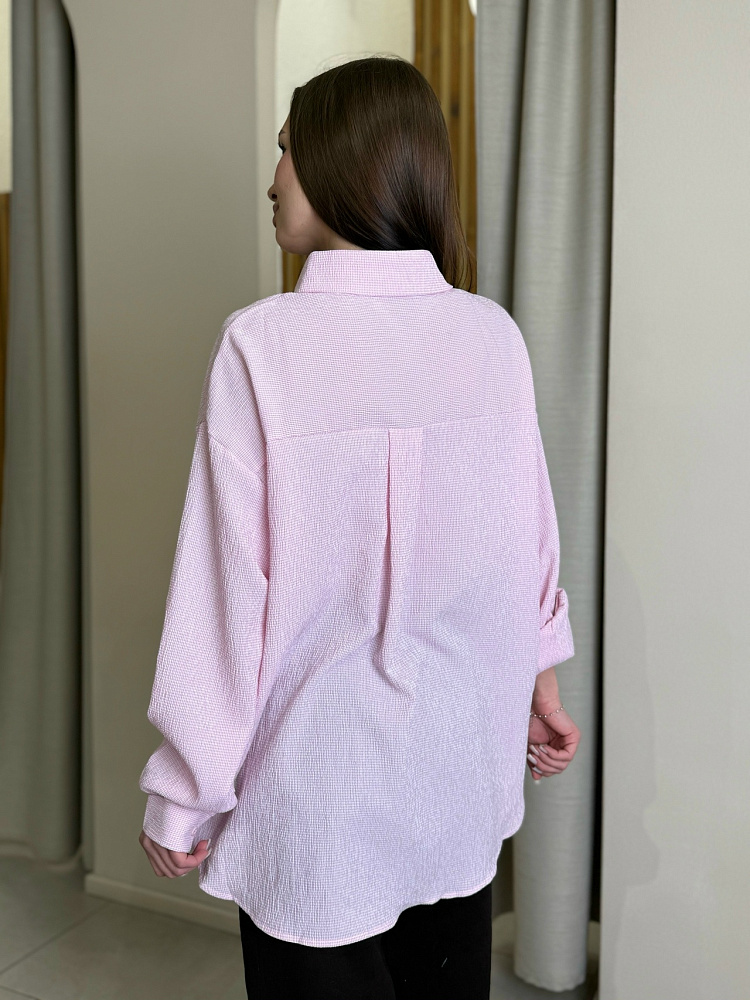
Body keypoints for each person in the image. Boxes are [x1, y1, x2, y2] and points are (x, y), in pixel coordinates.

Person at [137, 56, 581, 1000]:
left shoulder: (263, 346)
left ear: (346, 158)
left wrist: (184, 791)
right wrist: (539, 681)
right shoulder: (491, 336)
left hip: (316, 805)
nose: (273, 178)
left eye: (288, 149)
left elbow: (225, 600)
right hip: (458, 777)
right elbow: (522, 551)